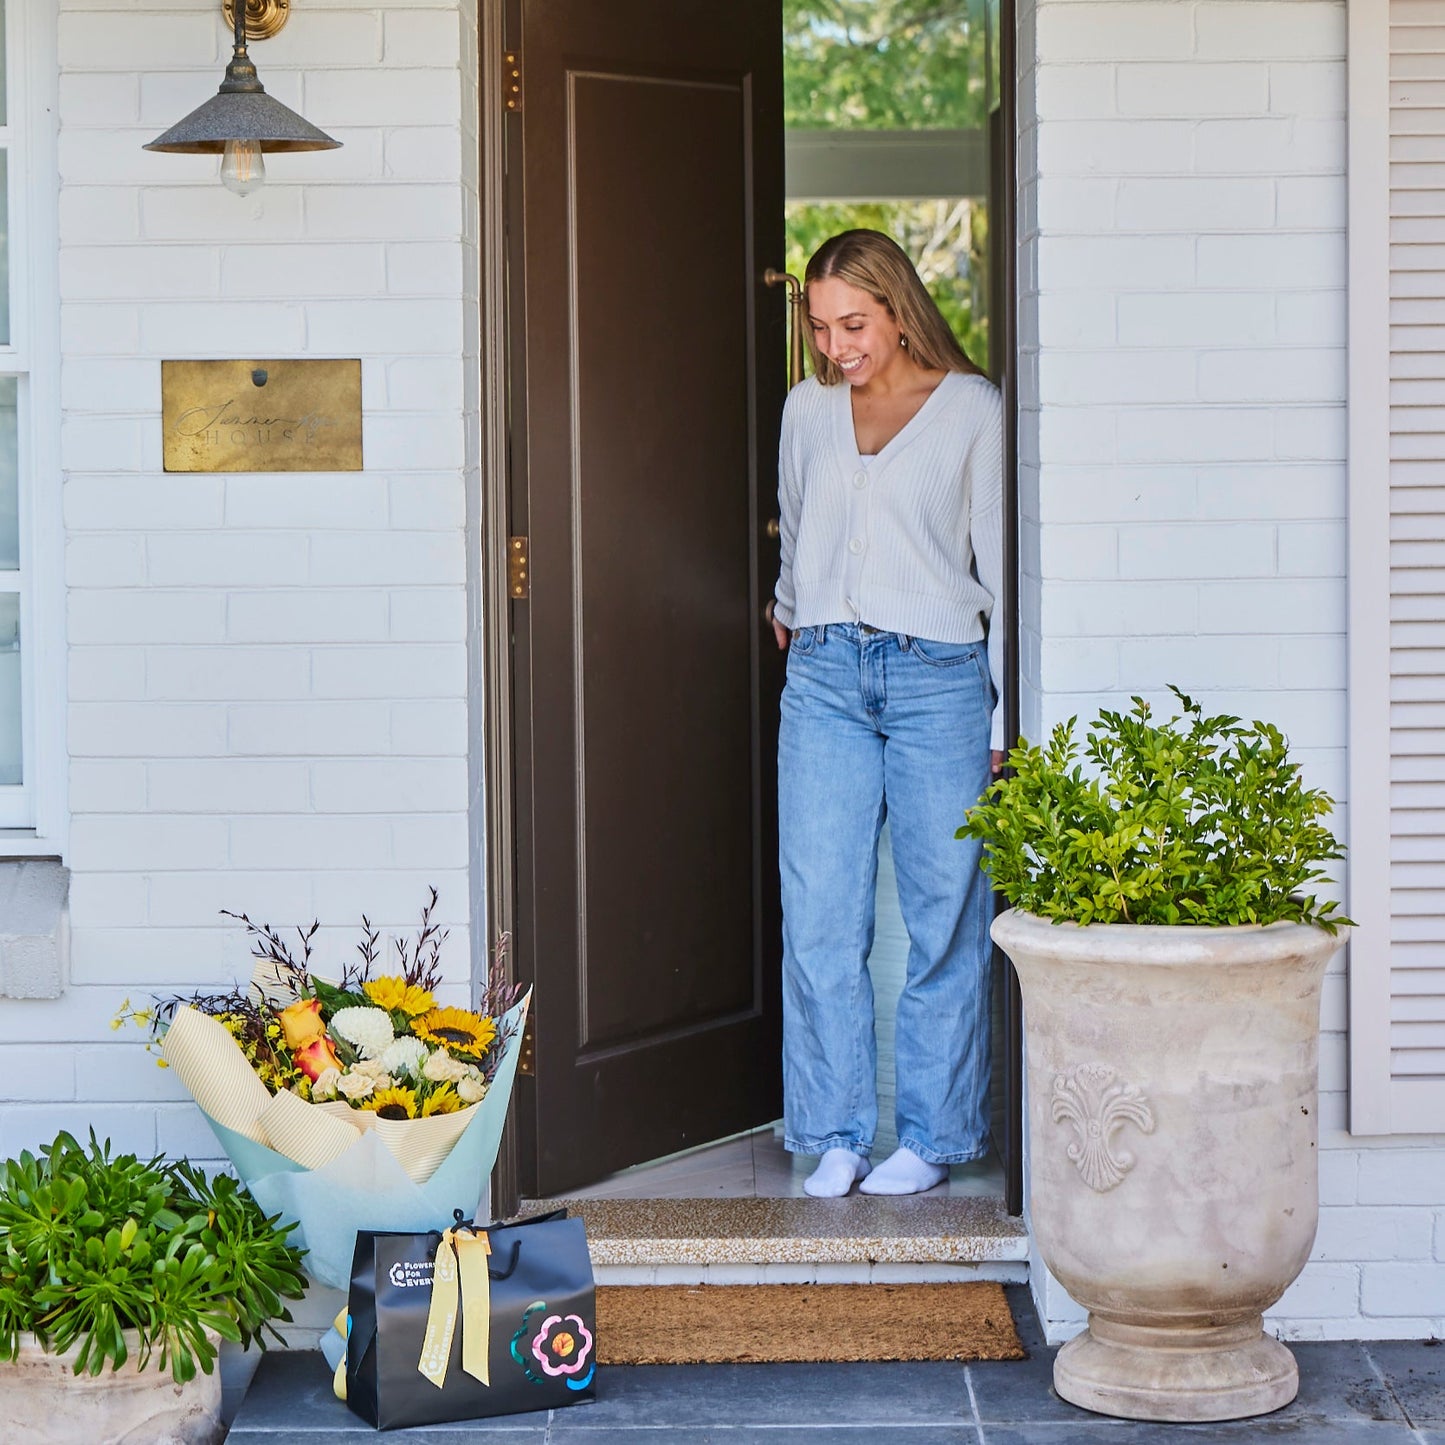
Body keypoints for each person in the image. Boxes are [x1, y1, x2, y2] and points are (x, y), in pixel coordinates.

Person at [767, 229, 1005, 1198]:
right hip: (823, 670)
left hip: (938, 674)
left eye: (852, 324)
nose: (835, 347)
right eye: (820, 327)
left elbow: (1000, 569)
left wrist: (1003, 720)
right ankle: (831, 1131)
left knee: (945, 911)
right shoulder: (805, 410)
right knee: (819, 913)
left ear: (898, 309)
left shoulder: (971, 411)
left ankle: (935, 1135)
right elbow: (792, 519)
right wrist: (789, 605)